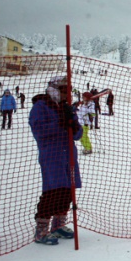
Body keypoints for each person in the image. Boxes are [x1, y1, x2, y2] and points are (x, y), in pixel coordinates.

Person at [29, 76, 83, 245]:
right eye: (63, 91)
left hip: (68, 154)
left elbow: (77, 134)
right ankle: (41, 230)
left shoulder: (66, 108)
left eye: (68, 91)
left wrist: (74, 126)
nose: (67, 94)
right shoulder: (41, 106)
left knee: (68, 189)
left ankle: (58, 224)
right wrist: (60, 123)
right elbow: (38, 129)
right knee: (52, 191)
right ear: (54, 90)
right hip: (51, 154)